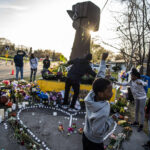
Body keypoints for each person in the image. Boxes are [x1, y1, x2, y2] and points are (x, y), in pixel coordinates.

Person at [83, 53, 116, 150]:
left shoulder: (92, 94)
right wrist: (110, 120)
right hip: (94, 142)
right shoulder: (103, 110)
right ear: (101, 94)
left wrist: (103, 61)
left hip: (85, 135)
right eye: (109, 91)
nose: (112, 94)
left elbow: (99, 77)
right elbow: (98, 132)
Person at [115, 68, 148, 132]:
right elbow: (124, 84)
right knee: (136, 110)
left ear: (136, 76)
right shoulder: (131, 82)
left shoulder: (139, 81)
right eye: (131, 76)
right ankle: (136, 122)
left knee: (141, 111)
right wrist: (117, 83)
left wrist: (142, 84)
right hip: (136, 98)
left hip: (142, 98)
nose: (132, 77)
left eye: (133, 76)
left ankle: (141, 125)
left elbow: (145, 83)